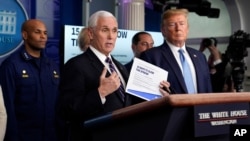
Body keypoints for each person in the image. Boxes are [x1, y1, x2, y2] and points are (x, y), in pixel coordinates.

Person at [58, 10, 170, 141]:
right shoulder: (76, 65)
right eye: (105, 30)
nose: (111, 36)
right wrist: (100, 93)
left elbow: (129, 103)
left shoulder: (120, 67)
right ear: (90, 33)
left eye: (114, 30)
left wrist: (157, 94)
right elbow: (67, 110)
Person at [0, 19, 61, 141]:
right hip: (24, 136)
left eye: (45, 33)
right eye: (37, 32)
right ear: (25, 35)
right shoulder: (11, 65)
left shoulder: (52, 66)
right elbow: (7, 109)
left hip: (51, 136)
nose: (43, 36)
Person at [140, 8, 212, 94]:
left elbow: (208, 90)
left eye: (182, 24)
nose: (178, 28)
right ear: (163, 31)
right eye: (172, 24)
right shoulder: (151, 56)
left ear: (187, 29)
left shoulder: (200, 57)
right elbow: (144, 94)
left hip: (200, 107)